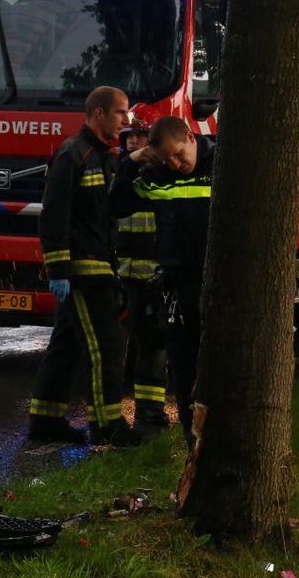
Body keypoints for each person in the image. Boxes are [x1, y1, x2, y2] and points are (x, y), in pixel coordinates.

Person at [28, 85, 141, 447]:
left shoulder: (105, 157)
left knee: (67, 345)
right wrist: (59, 270)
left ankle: (45, 421)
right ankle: (107, 425)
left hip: (101, 266)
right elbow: (53, 215)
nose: (127, 119)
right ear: (99, 113)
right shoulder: (72, 155)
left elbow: (111, 212)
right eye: (121, 112)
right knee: (106, 345)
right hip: (82, 272)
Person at [111, 116, 215, 449]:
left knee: (216, 361)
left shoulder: (221, 164)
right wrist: (131, 162)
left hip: (217, 283)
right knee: (182, 363)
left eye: (178, 155)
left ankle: (218, 433)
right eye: (167, 159)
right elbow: (118, 204)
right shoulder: (158, 175)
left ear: (191, 137)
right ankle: (191, 436)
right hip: (177, 284)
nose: (175, 164)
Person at [114, 107, 170, 438]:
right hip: (120, 278)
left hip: (154, 279)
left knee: (154, 345)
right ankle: (108, 417)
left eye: (140, 135)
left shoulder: (164, 175)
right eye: (129, 136)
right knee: (113, 349)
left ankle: (150, 413)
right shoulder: (117, 173)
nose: (133, 141)